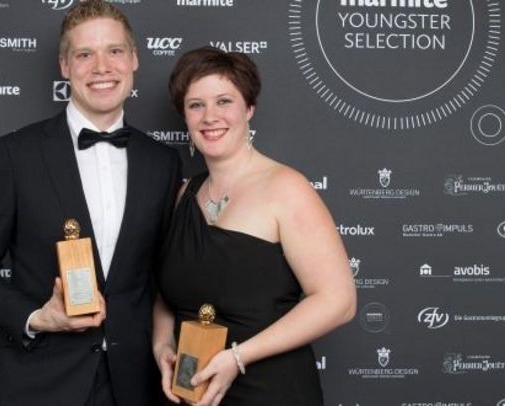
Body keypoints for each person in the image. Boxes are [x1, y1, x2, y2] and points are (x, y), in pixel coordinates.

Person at [0, 1, 181, 405]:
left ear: (133, 59)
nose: (101, 67)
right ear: (64, 66)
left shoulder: (162, 162)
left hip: (136, 384)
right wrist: (37, 317)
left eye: (114, 51)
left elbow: (163, 276)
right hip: (43, 381)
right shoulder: (14, 155)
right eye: (84, 54)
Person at [152, 46, 356, 406]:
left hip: (271, 391)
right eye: (196, 105)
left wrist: (238, 357)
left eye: (224, 101)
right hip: (193, 393)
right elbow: (167, 295)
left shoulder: (287, 188)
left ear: (249, 108)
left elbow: (339, 301)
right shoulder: (185, 194)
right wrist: (163, 344)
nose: (210, 117)